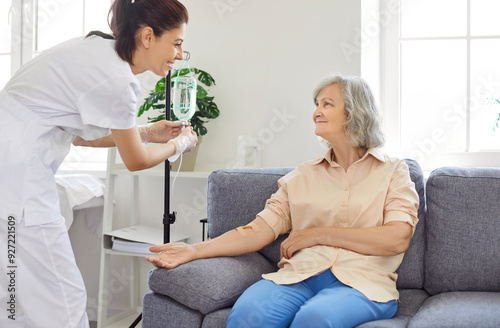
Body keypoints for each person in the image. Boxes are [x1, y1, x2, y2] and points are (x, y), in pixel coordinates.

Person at [146, 74, 419, 328]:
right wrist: (195, 251)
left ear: (355, 111)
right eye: (316, 104)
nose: (316, 111)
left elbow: (396, 238)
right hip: (299, 275)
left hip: (362, 283)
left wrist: (316, 234)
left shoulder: (393, 171)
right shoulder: (302, 176)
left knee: (315, 318)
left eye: (327, 104)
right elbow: (256, 231)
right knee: (245, 316)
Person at [0, 0, 196, 327]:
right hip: (20, 174)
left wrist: (147, 131)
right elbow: (134, 160)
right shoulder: (119, 79)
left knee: (15, 286)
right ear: (148, 36)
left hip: (11, 165)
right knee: (62, 296)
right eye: (176, 43)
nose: (178, 54)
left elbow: (81, 136)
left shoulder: (98, 51)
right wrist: (180, 144)